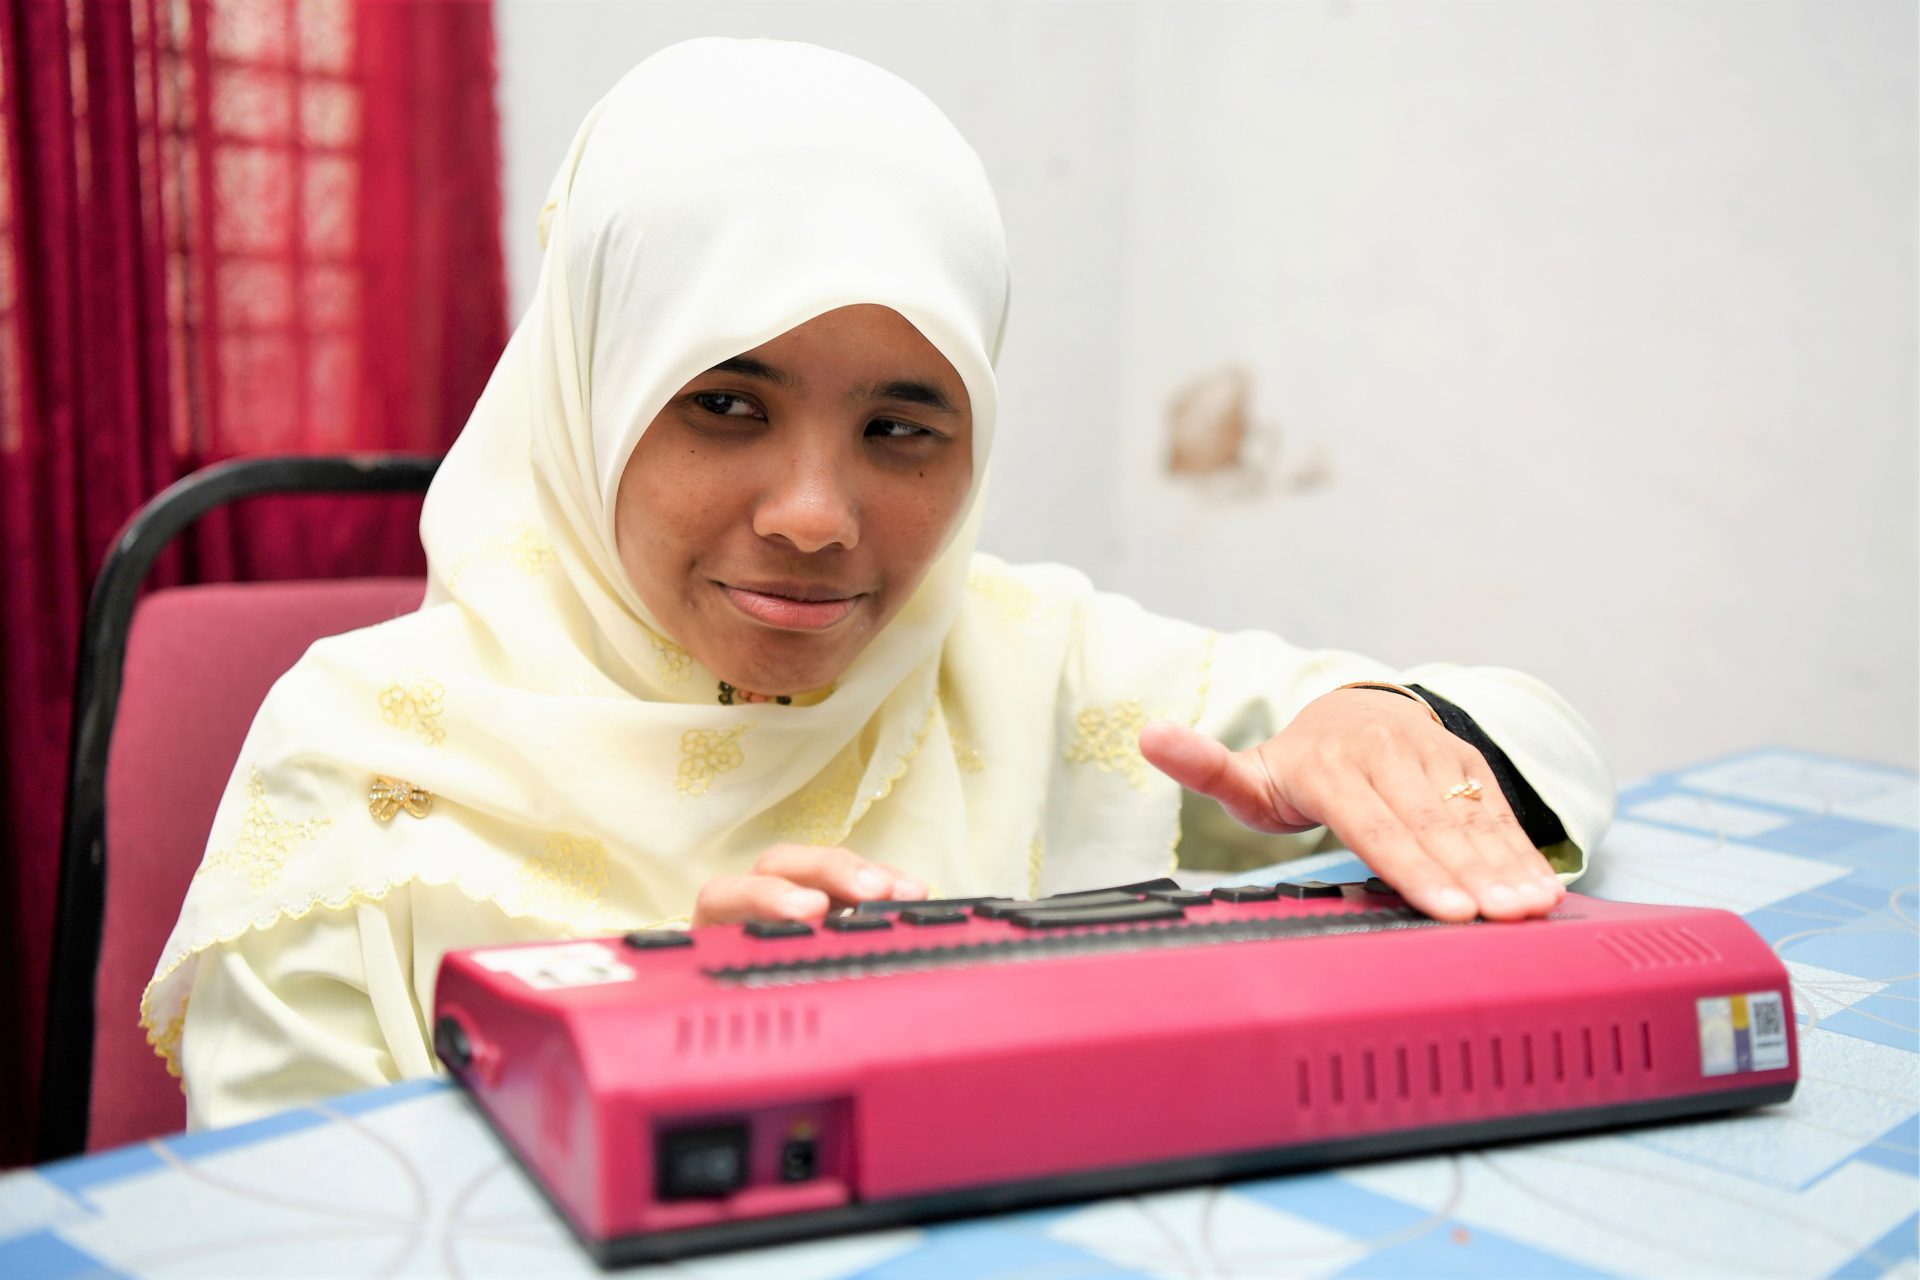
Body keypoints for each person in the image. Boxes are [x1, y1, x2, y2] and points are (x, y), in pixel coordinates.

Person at [143, 37, 1614, 1131]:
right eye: (726, 404)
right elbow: (287, 1221)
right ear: (591, 390)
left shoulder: (1021, 665)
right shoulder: (367, 761)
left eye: (902, 430)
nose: (812, 517)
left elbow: (1536, 738)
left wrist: (1378, 720)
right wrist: (664, 1041)